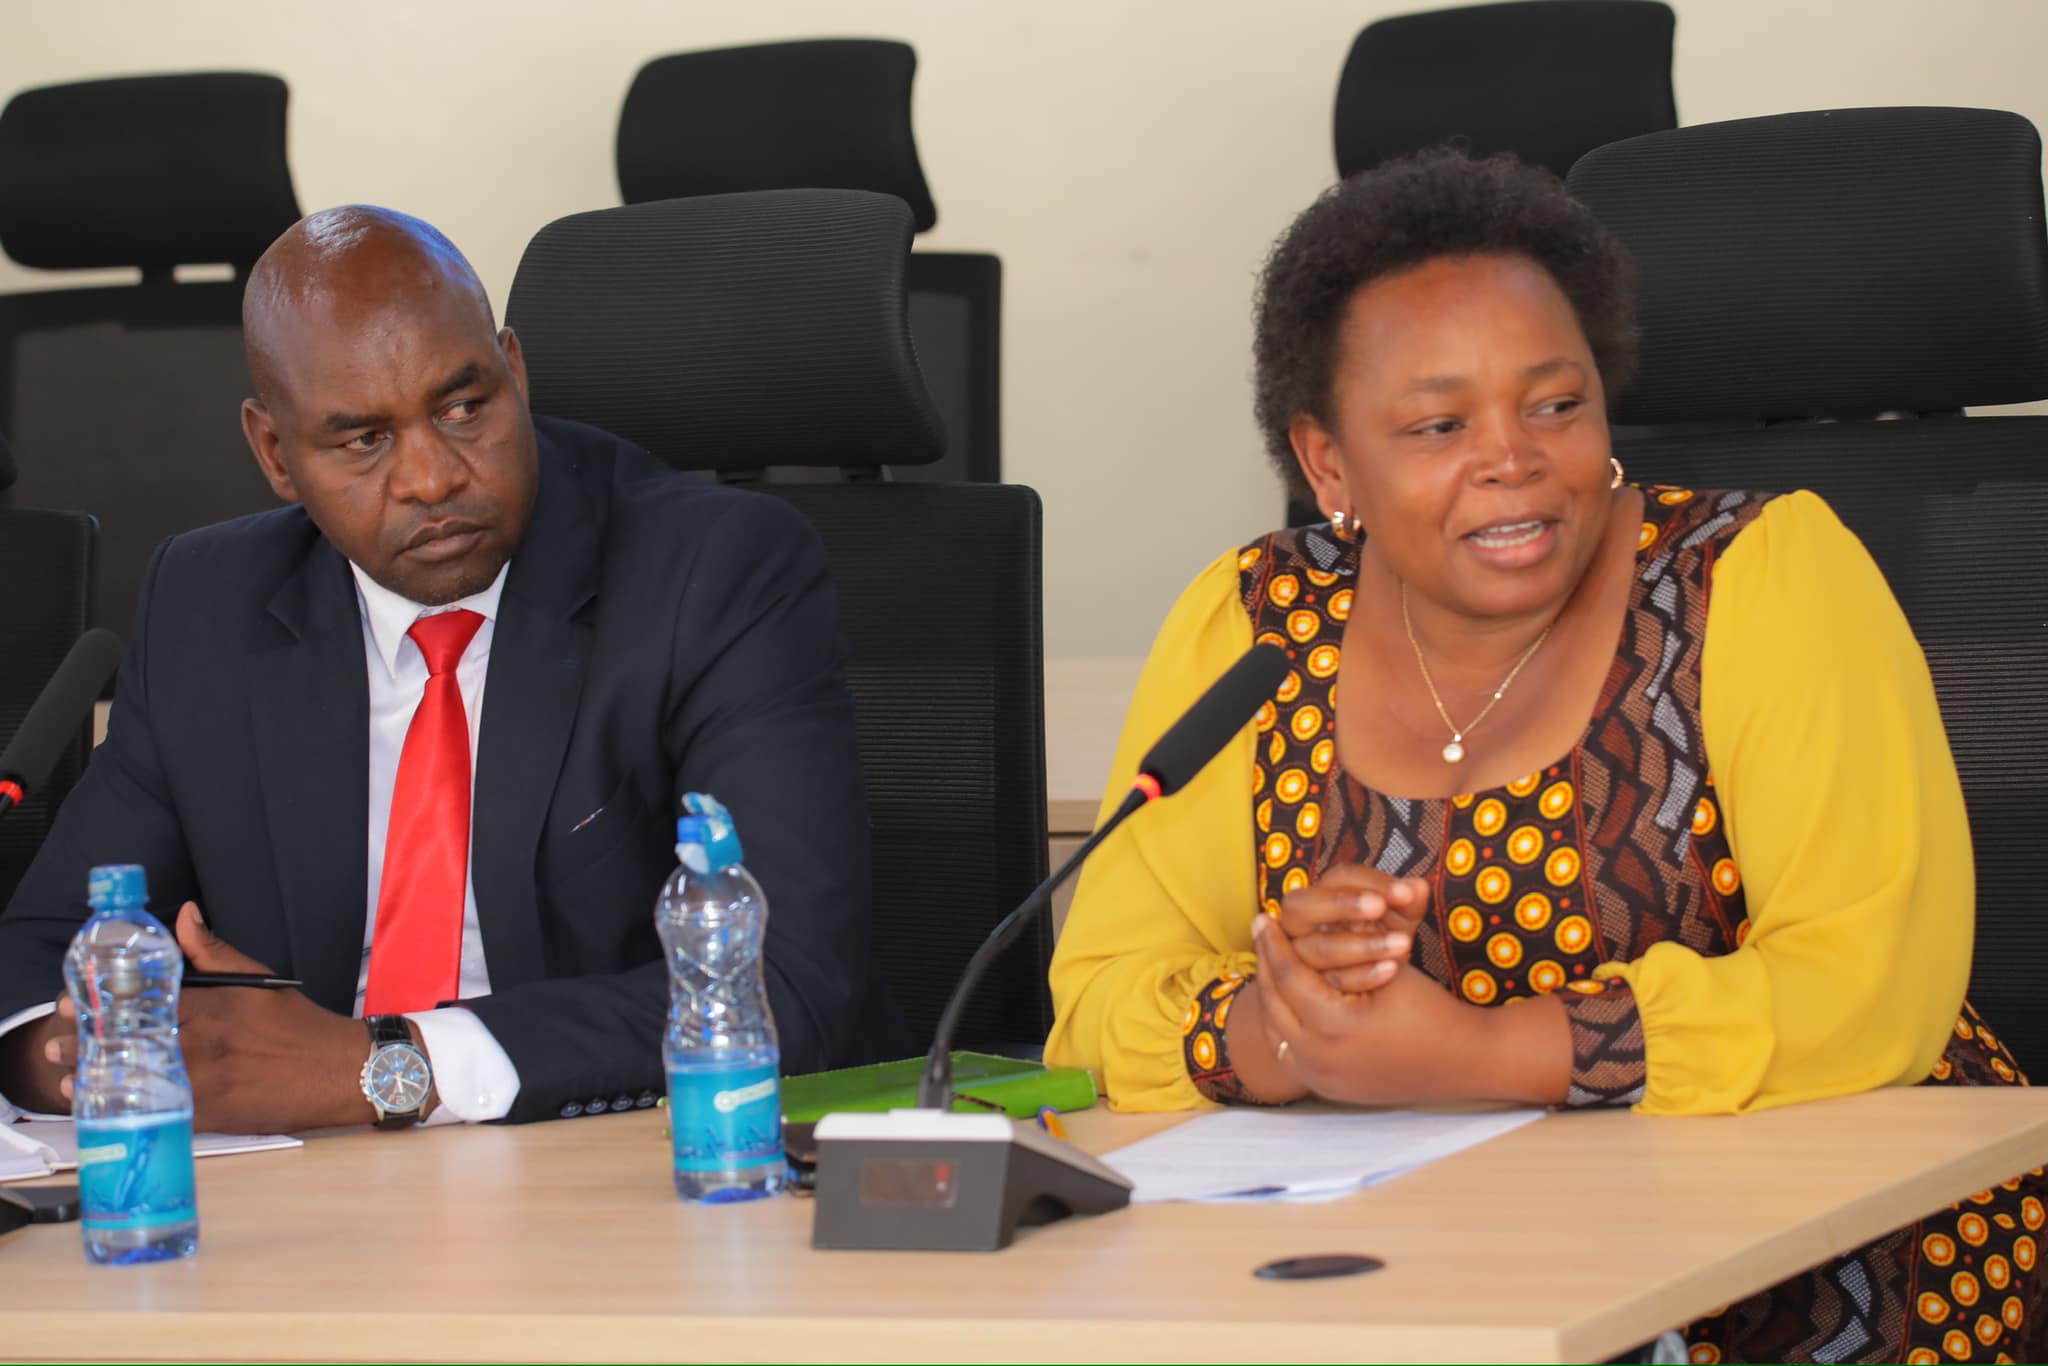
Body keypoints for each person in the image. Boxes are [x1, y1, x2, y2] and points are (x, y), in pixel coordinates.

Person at [1045, 150, 2043, 1364]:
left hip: (1822, 1252)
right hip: (1420, 1256)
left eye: (1554, 403)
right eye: (1436, 424)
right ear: (1327, 465)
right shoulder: (1250, 621)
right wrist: (1282, 1021)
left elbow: (1869, 986)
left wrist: (1470, 1054)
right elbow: (1097, 996)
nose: (1511, 455)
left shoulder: (1759, 579)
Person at [0, 206, 893, 1132]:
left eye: (465, 407)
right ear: (275, 453)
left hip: (613, 1165)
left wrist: (377, 1066)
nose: (431, 477)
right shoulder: (207, 602)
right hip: (304, 1200)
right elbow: (43, 948)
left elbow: (788, 980)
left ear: (515, 370)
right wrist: (121, 1051)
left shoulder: (713, 572)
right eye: (363, 440)